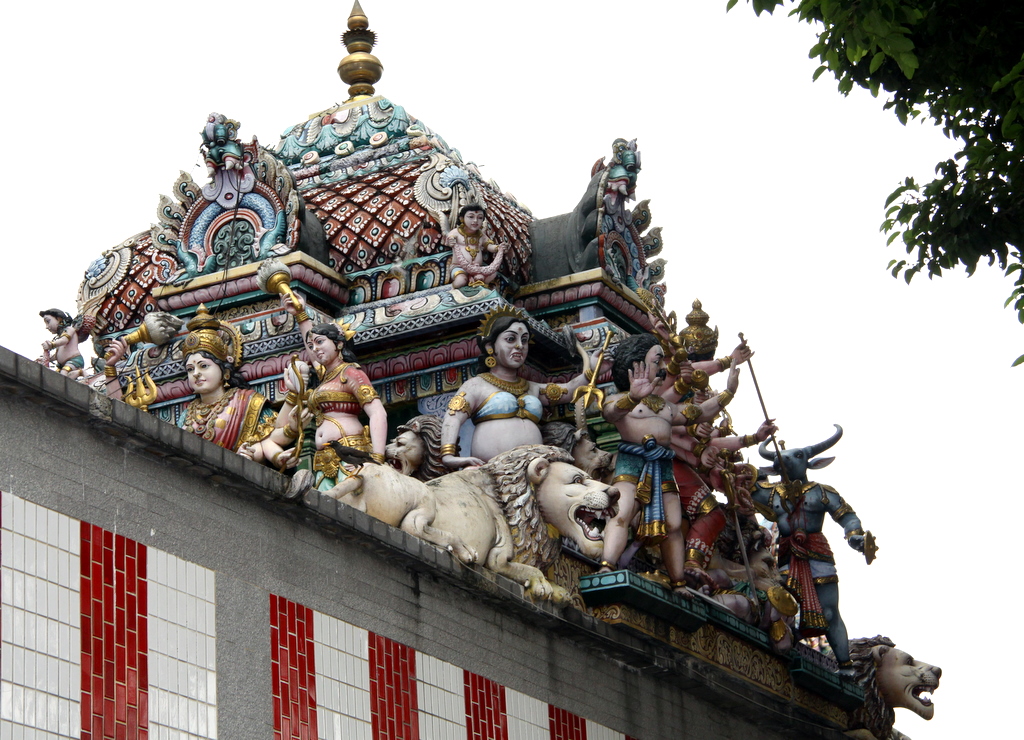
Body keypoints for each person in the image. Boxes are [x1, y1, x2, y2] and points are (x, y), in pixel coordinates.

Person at [599, 333, 739, 594]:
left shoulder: (665, 407)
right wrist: (633, 397)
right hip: (633, 462)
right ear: (637, 365)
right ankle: (607, 566)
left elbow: (699, 413)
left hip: (663, 466)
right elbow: (610, 413)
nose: (663, 367)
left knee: (673, 525)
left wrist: (728, 392)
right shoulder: (619, 399)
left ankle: (678, 582)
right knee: (622, 513)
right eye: (657, 361)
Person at [106, 305, 303, 464]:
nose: (196, 373)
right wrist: (110, 368)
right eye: (190, 369)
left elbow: (266, 440)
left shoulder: (247, 402)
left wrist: (272, 456)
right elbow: (119, 417)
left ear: (225, 369)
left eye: (203, 366)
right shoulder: (187, 415)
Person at [440, 306, 589, 468]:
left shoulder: (531, 388)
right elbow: (453, 417)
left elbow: (569, 391)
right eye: (511, 339)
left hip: (536, 469)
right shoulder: (476, 385)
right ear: (490, 346)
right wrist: (448, 455)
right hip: (492, 470)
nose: (520, 346)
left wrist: (593, 368)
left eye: (524, 340)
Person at [279, 295, 387, 492]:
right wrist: (300, 314)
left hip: (351, 454)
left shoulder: (350, 373)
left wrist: (377, 459)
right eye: (312, 345)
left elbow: (378, 413)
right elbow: (313, 352)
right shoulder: (325, 376)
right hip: (323, 460)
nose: (315, 349)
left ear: (339, 344)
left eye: (320, 342)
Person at [445, 204, 507, 290]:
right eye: (471, 217)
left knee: (492, 274)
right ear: (462, 218)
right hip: (459, 267)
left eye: (480, 218)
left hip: (477, 268)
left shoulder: (481, 235)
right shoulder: (456, 232)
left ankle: (477, 290)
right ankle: (452, 290)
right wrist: (451, 241)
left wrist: (498, 248)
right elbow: (448, 241)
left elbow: (489, 246)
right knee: (461, 281)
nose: (475, 220)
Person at [37, 309, 85, 378]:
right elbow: (58, 354)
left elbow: (64, 340)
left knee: (63, 373)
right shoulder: (60, 336)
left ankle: (81, 372)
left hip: (74, 360)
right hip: (62, 365)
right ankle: (78, 373)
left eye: (48, 321)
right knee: (55, 377)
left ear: (59, 319)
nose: (47, 327)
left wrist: (52, 344)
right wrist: (47, 359)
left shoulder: (69, 329)